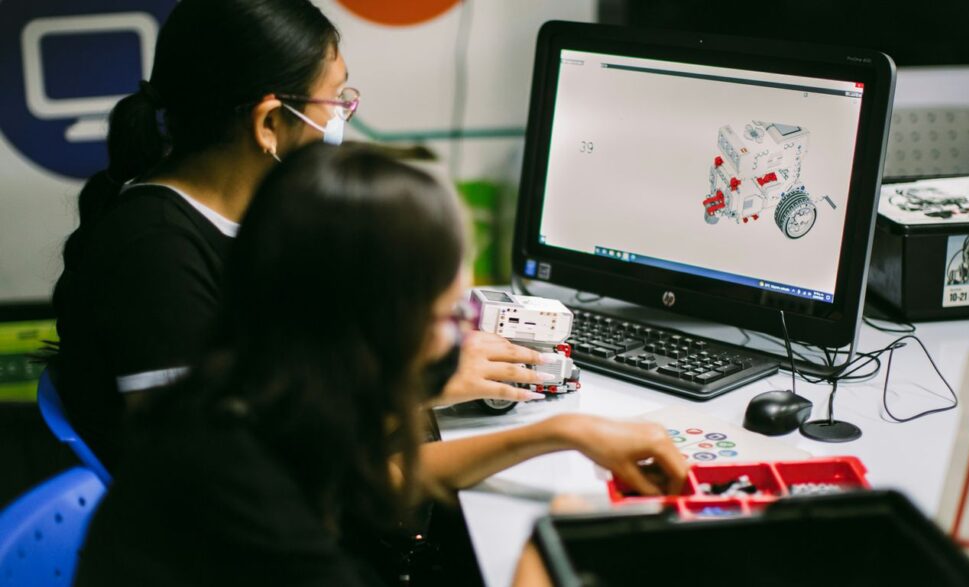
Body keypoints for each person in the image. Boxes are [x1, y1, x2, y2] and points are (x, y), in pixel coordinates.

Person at [75, 144, 688, 586]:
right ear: (376, 330)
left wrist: (565, 433)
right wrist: (548, 551)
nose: (462, 335)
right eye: (452, 314)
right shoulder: (241, 497)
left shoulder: (251, 396)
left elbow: (383, 476)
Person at [50, 0, 548, 469]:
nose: (341, 118)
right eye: (333, 100)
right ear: (268, 123)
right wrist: (414, 386)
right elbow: (211, 464)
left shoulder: (252, 218)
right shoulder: (153, 254)